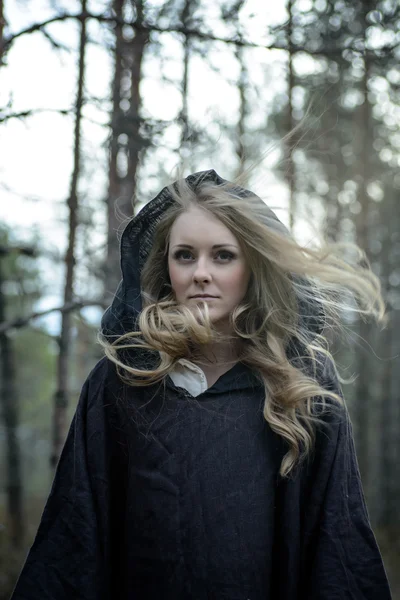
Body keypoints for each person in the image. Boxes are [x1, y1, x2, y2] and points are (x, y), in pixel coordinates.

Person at [11, 169, 392, 599]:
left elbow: (337, 542)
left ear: (253, 265)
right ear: (165, 264)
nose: (201, 273)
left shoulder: (300, 386)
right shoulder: (121, 380)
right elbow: (74, 533)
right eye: (185, 255)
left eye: (223, 255)